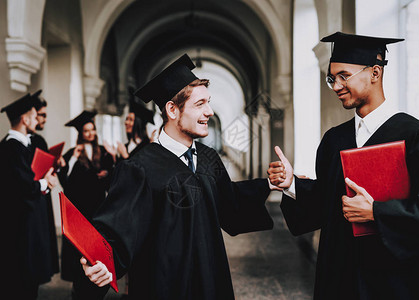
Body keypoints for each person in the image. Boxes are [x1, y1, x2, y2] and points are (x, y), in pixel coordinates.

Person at [77, 54, 276, 299]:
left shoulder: (209, 158)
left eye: (209, 102)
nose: (210, 112)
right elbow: (117, 230)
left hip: (210, 281)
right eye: (200, 104)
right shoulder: (139, 168)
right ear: (172, 109)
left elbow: (230, 205)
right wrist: (100, 264)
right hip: (164, 287)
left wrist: (272, 184)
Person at [268, 32, 419, 300]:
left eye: (344, 76)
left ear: (375, 73)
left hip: (396, 284)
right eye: (332, 78)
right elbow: (324, 207)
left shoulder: (418, 138)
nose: (336, 86)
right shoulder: (334, 140)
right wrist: (291, 184)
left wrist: (377, 212)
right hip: (340, 280)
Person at [0, 93, 58, 299]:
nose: (37, 120)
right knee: (17, 284)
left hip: (32, 225)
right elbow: (20, 186)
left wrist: (47, 179)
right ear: (25, 119)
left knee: (29, 283)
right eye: (34, 116)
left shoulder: (28, 144)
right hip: (18, 229)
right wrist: (45, 183)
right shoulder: (8, 149)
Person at [58, 110, 115, 284]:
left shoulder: (104, 151)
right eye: (86, 131)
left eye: (92, 130)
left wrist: (109, 167)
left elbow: (113, 177)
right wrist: (74, 158)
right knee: (79, 248)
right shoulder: (72, 153)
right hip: (79, 207)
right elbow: (65, 180)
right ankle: (78, 281)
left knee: (95, 247)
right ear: (80, 134)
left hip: (98, 206)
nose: (90, 134)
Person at [29, 89, 62, 277]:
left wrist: (54, 165)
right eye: (41, 115)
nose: (43, 119)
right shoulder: (24, 143)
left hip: (40, 196)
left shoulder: (39, 140)